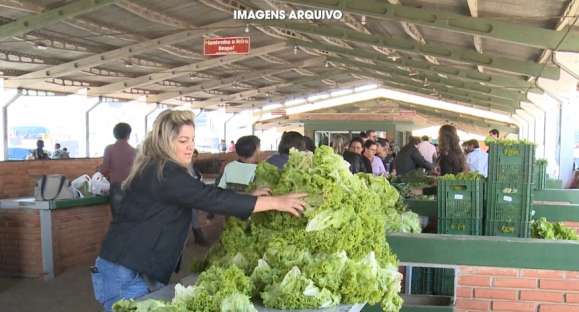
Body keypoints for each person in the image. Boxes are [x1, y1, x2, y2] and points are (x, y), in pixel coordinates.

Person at [92, 110, 306, 312]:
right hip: (127, 273)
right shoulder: (165, 172)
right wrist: (277, 203)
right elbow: (209, 198)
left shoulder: (159, 167)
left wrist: (249, 198)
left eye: (192, 140)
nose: (190, 147)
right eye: (183, 141)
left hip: (133, 267)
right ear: (165, 142)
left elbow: (203, 193)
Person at [101, 123, 136, 220]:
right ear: (128, 135)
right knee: (132, 219)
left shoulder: (110, 149)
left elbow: (104, 170)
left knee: (118, 220)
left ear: (114, 134)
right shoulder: (135, 151)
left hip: (117, 188)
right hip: (132, 188)